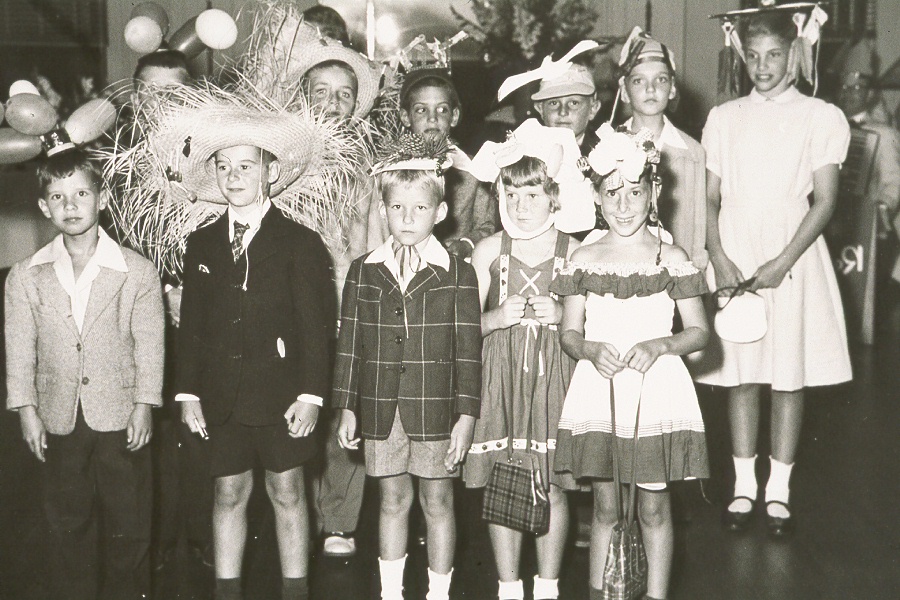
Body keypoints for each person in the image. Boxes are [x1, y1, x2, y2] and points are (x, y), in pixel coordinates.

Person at [170, 97, 338, 600]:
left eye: (245, 165)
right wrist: (187, 393)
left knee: (287, 491)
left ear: (270, 171)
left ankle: (296, 589)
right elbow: (192, 326)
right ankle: (227, 589)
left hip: (282, 395)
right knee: (228, 492)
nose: (233, 175)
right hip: (220, 396)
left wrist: (311, 395)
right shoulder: (201, 244)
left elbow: (315, 327)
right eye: (223, 166)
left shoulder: (301, 243)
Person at [696, 7, 852, 537]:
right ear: (742, 57)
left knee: (787, 375)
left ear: (796, 54)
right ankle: (743, 485)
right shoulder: (724, 117)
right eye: (754, 56)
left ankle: (778, 490)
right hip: (737, 248)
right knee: (741, 373)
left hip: (793, 251)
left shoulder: (821, 116)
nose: (763, 67)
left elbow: (825, 200)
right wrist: (718, 254)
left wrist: (784, 260)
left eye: (775, 56)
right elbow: (710, 197)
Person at [553, 126, 710, 600]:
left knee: (654, 508)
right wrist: (587, 349)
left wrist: (662, 345)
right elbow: (569, 332)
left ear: (654, 192)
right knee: (605, 508)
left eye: (635, 192)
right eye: (612, 193)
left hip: (656, 389)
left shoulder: (672, 257)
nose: (624, 206)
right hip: (600, 389)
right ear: (597, 198)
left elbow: (700, 333)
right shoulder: (584, 256)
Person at [5, 147, 165, 599]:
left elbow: (150, 344)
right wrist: (27, 411)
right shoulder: (26, 275)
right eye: (57, 197)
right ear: (43, 207)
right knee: (66, 524)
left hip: (120, 416)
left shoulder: (136, 271)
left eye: (80, 194)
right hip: (59, 418)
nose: (70, 206)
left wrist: (144, 404)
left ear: (103, 198)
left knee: (129, 526)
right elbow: (19, 349)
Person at [332, 135, 482, 600]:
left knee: (438, 501)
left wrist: (467, 416)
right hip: (380, 407)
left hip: (436, 407)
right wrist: (347, 406)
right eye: (397, 208)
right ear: (383, 209)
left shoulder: (458, 271)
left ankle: (438, 593)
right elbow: (350, 344)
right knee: (392, 500)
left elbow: (468, 349)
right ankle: (391, 593)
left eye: (420, 208)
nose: (408, 218)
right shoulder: (363, 270)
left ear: (440, 212)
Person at [464, 121, 586, 600]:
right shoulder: (489, 251)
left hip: (556, 376)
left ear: (555, 196)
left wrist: (564, 315)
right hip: (501, 377)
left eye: (532, 195)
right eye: (510, 195)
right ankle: (509, 586)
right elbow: (461, 327)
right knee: (503, 480)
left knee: (551, 482)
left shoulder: (576, 251)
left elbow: (595, 326)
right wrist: (494, 317)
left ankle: (549, 586)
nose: (520, 206)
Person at [398, 35, 497, 259]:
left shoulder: (475, 169)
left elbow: (487, 226)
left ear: (455, 116)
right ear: (406, 116)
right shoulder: (390, 169)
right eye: (421, 110)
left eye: (442, 110)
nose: (432, 119)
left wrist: (466, 244)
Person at [618, 27, 707, 269]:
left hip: (675, 274)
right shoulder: (609, 148)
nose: (650, 89)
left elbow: (698, 236)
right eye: (638, 80)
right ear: (624, 91)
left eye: (661, 79)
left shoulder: (693, 153)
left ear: (673, 88)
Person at [834, 40, 900, 285]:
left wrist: (882, 208)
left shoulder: (884, 134)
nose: (847, 93)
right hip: (835, 226)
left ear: (870, 94)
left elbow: (893, 181)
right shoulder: (829, 129)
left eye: (856, 87)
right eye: (843, 86)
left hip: (869, 230)